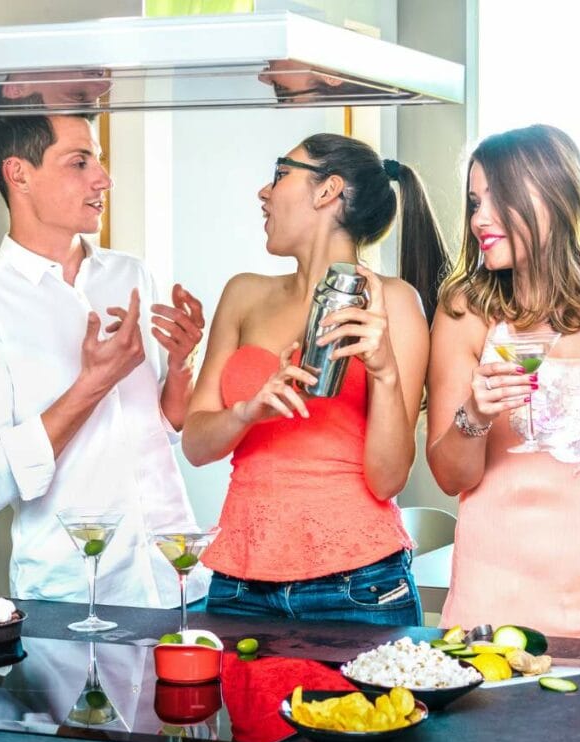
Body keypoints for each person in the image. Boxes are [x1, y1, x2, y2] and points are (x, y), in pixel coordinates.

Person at [181, 133, 448, 625]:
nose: (265, 192)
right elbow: (196, 446)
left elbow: (387, 479)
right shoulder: (243, 294)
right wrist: (246, 411)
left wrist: (385, 374)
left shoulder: (394, 303)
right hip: (239, 585)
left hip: (358, 587)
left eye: (281, 174)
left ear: (328, 191)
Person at [426, 124, 580, 639]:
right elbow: (451, 478)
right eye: (474, 202)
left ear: (553, 198)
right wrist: (475, 415)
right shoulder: (465, 313)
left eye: (498, 199)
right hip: (493, 610)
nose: (480, 219)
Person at [0, 113, 208, 607]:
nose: (103, 180)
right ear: (18, 173)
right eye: (80, 162)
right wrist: (94, 382)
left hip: (176, 578)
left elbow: (165, 427)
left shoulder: (132, 273)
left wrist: (181, 366)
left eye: (100, 161)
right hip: (75, 597)